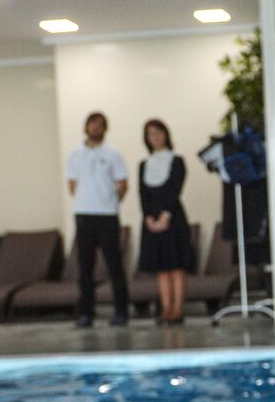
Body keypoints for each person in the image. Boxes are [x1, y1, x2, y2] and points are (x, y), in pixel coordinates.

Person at [66, 111, 129, 327]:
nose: (96, 128)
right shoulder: (75, 154)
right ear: (86, 128)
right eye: (92, 124)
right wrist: (87, 201)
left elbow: (123, 183)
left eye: (100, 125)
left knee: (114, 265)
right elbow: (72, 185)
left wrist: (109, 200)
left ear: (105, 128)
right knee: (85, 266)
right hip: (84, 215)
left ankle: (121, 311)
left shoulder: (113, 154)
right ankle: (86, 313)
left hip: (108, 216)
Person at [137, 119, 194, 325]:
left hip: (174, 219)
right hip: (152, 221)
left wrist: (165, 215)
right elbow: (142, 194)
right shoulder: (144, 165)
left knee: (176, 266)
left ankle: (178, 309)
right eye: (151, 134)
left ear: (166, 134)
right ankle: (166, 309)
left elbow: (175, 189)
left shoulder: (177, 161)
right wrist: (149, 218)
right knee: (161, 267)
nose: (155, 137)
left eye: (159, 132)